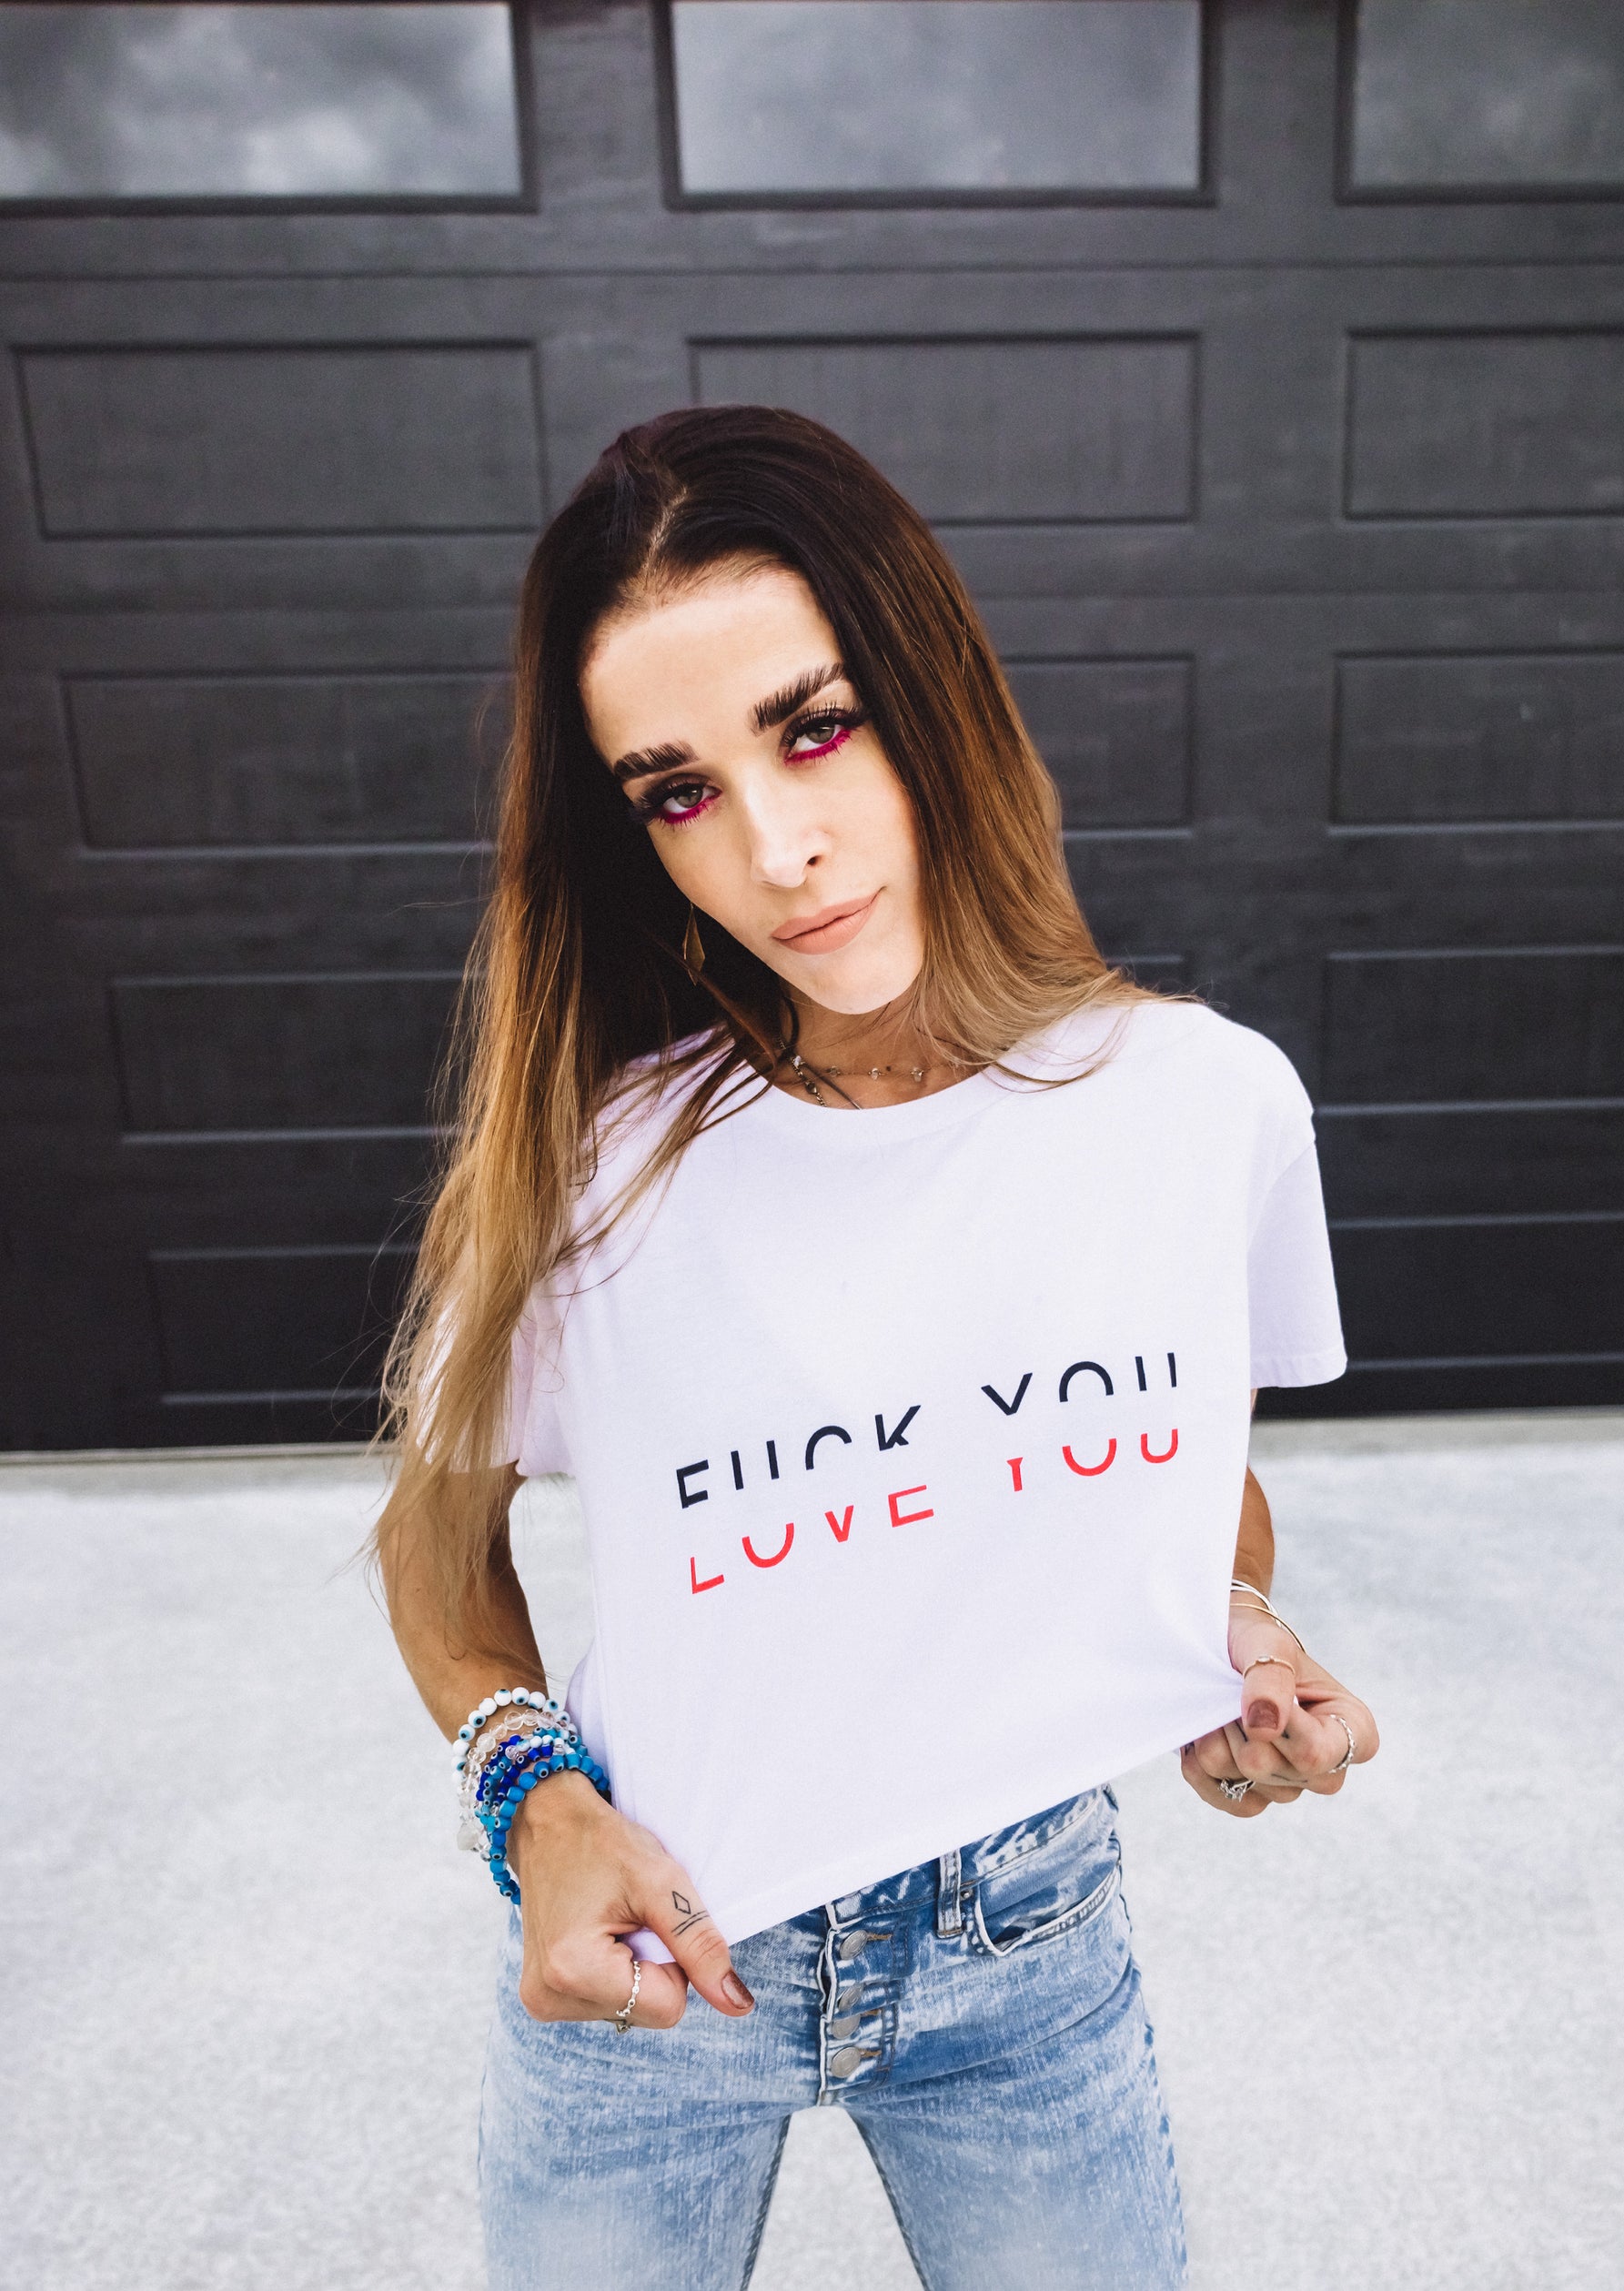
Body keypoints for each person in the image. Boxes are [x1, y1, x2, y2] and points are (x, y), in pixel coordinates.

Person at [376, 405, 1378, 2290]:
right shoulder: (589, 1165)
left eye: (814, 726)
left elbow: (1187, 1473)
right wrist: (537, 1806)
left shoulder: (1203, 1106)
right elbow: (433, 1545)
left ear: (931, 695)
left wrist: (1234, 1631)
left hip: (1027, 1945)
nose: (777, 847)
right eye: (676, 791)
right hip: (661, 1949)